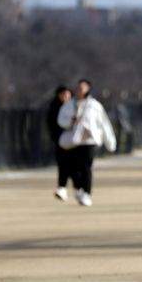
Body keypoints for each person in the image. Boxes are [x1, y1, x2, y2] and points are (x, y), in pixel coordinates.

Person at [57, 79, 117, 207]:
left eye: (82, 88)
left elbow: (104, 123)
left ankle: (87, 194)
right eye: (77, 87)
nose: (79, 90)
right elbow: (60, 120)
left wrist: (110, 141)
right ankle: (78, 189)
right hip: (74, 141)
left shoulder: (94, 105)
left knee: (86, 168)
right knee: (74, 168)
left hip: (89, 141)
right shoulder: (69, 105)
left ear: (87, 89)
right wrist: (71, 121)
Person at [47, 85, 73, 201]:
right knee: (63, 165)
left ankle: (80, 189)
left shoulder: (75, 106)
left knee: (76, 166)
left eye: (67, 95)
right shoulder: (54, 108)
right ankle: (62, 188)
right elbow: (51, 124)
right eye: (62, 95)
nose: (65, 97)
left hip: (75, 141)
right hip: (61, 141)